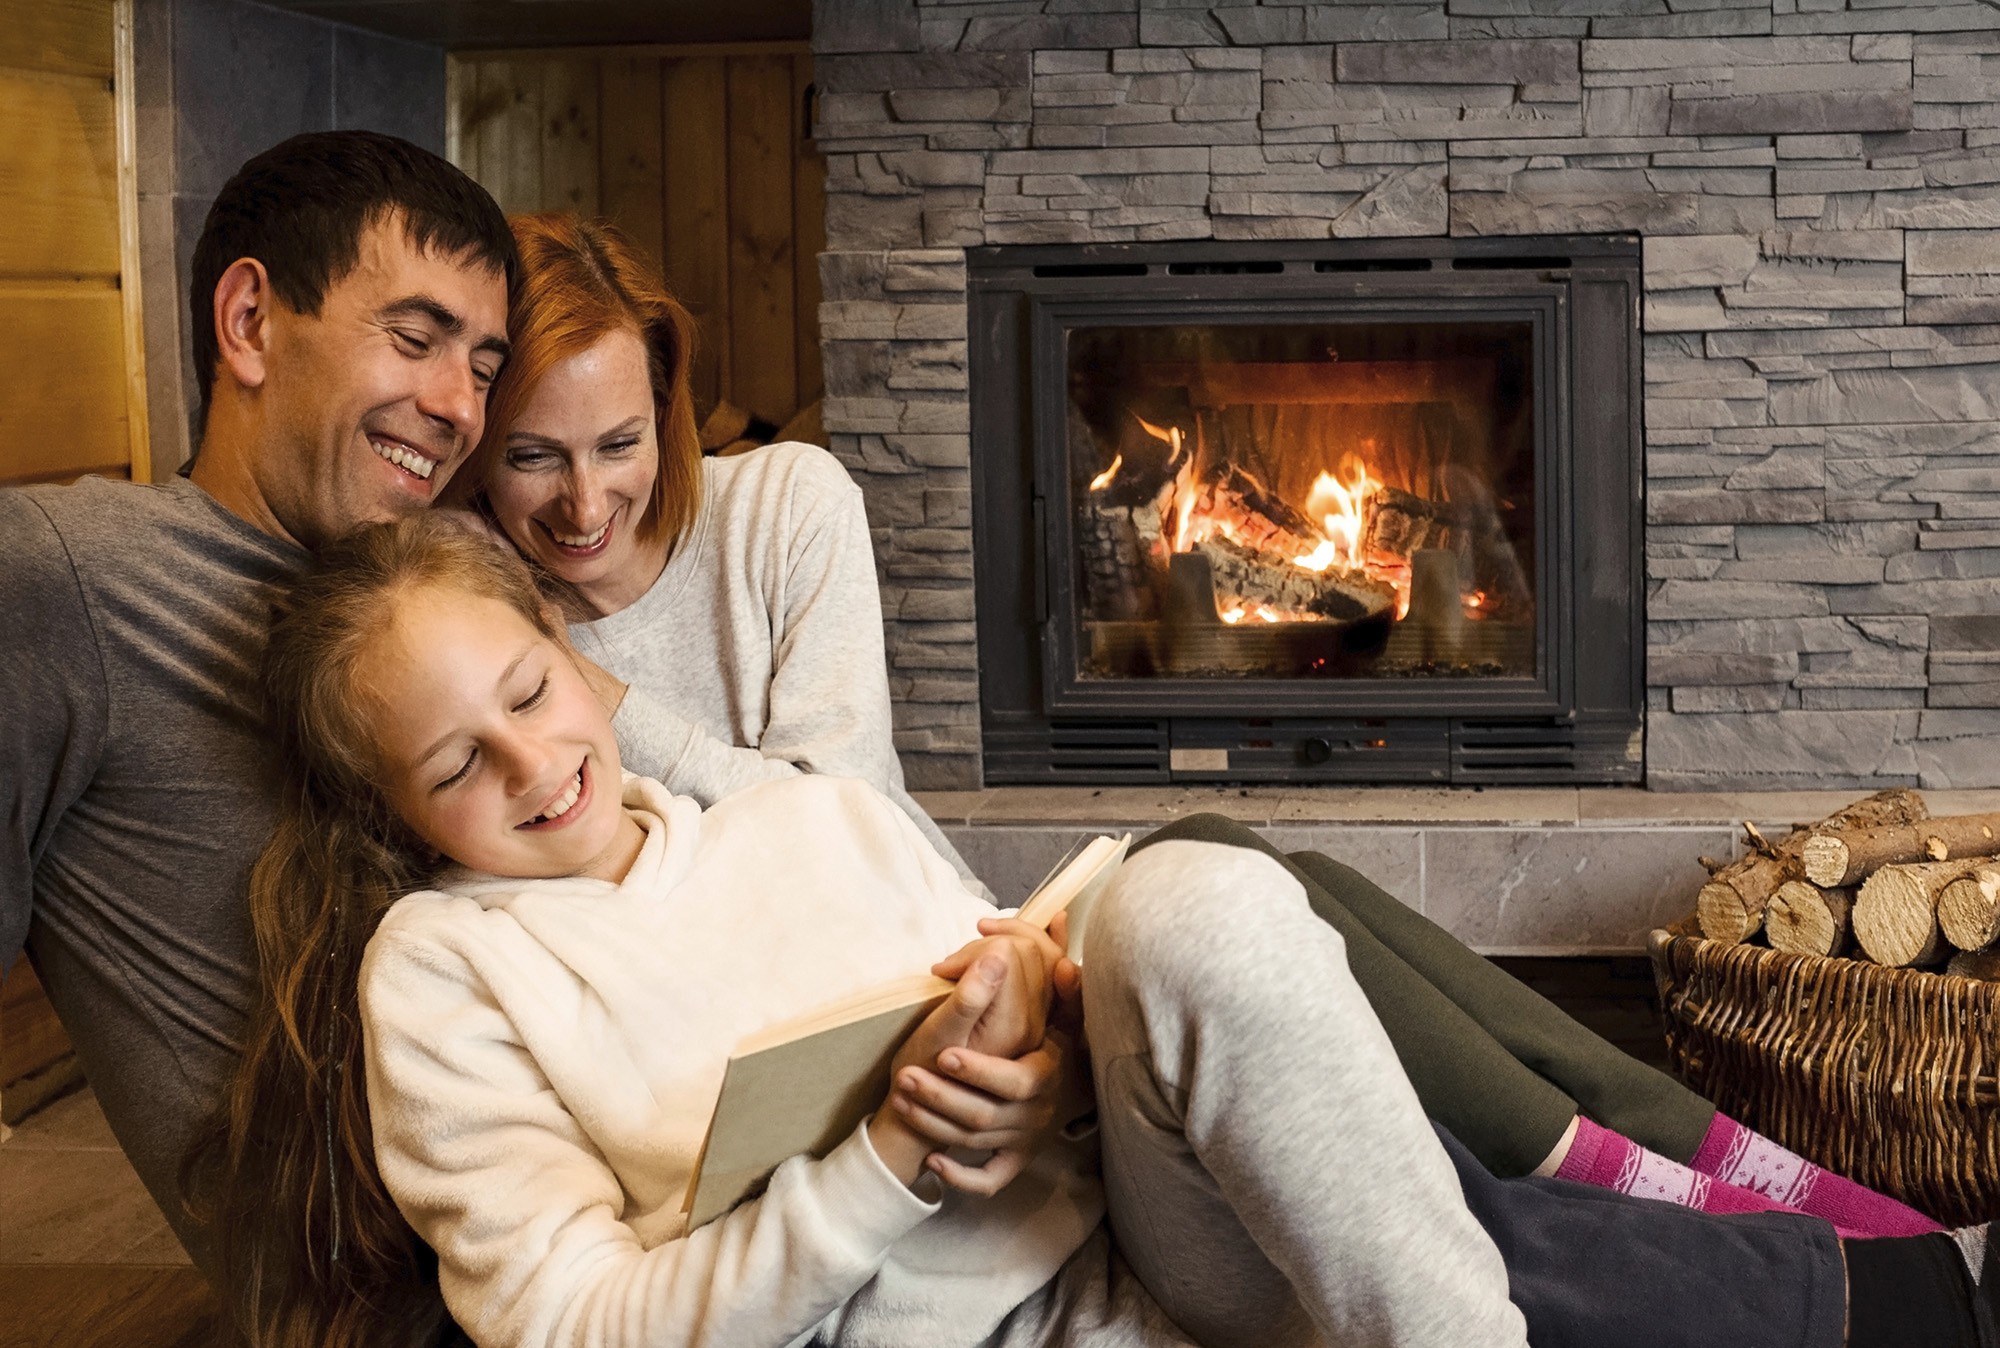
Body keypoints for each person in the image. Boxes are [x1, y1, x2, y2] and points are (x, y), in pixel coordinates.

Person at [207, 513, 2000, 1348]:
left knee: (1189, 890)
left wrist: (1037, 1042)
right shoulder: (443, 971)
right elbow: (567, 1325)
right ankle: (1905, 1286)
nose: (535, 764)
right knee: (1444, 1190)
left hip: (1140, 1258)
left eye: (532, 690)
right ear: (391, 813)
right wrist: (877, 1175)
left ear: (578, 654)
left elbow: (1093, 1043)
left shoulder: (807, 822)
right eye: (458, 762)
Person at [0, 129, 517, 1275]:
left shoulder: (426, 595)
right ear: (248, 323)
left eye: (483, 368)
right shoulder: (64, 579)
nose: (459, 407)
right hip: (427, 1299)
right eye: (415, 338)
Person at [442, 211, 987, 895]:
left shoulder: (788, 506)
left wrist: (583, 682)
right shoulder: (464, 609)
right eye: (532, 457)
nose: (585, 506)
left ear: (664, 409)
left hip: (914, 914)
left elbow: (845, 826)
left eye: (620, 445)